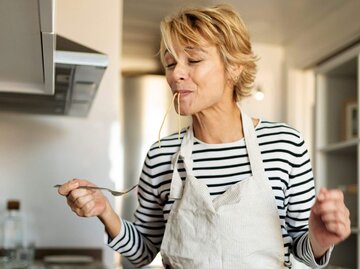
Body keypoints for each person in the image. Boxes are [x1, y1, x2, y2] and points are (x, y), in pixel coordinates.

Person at [58, 4, 351, 269]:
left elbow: (303, 252)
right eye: (171, 63)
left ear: (234, 68)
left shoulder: (286, 145)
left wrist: (321, 239)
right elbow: (144, 251)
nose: (176, 74)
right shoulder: (162, 155)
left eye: (193, 60)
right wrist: (105, 211)